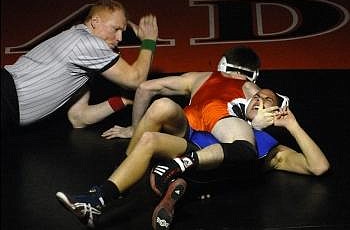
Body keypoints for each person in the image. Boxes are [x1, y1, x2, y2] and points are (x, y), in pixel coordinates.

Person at [55, 46, 263, 228]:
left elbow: (145, 87)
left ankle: (124, 181)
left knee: (159, 110)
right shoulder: (253, 89)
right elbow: (263, 125)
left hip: (201, 150)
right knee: (151, 135)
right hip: (197, 148)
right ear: (253, 73)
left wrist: (133, 129)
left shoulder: (200, 77)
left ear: (222, 64)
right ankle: (98, 201)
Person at [149, 88, 330, 229]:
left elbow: (319, 167)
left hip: (211, 181)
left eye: (268, 100)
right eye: (257, 97)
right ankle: (174, 185)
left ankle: (174, 190)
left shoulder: (274, 150)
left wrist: (293, 125)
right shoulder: (227, 119)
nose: (259, 100)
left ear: (277, 111)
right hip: (190, 159)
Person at [1, 0, 158, 135]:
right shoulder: (88, 44)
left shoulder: (82, 66)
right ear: (95, 22)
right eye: (115, 29)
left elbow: (79, 118)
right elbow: (135, 79)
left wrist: (123, 100)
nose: (120, 38)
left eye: (122, 31)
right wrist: (149, 41)